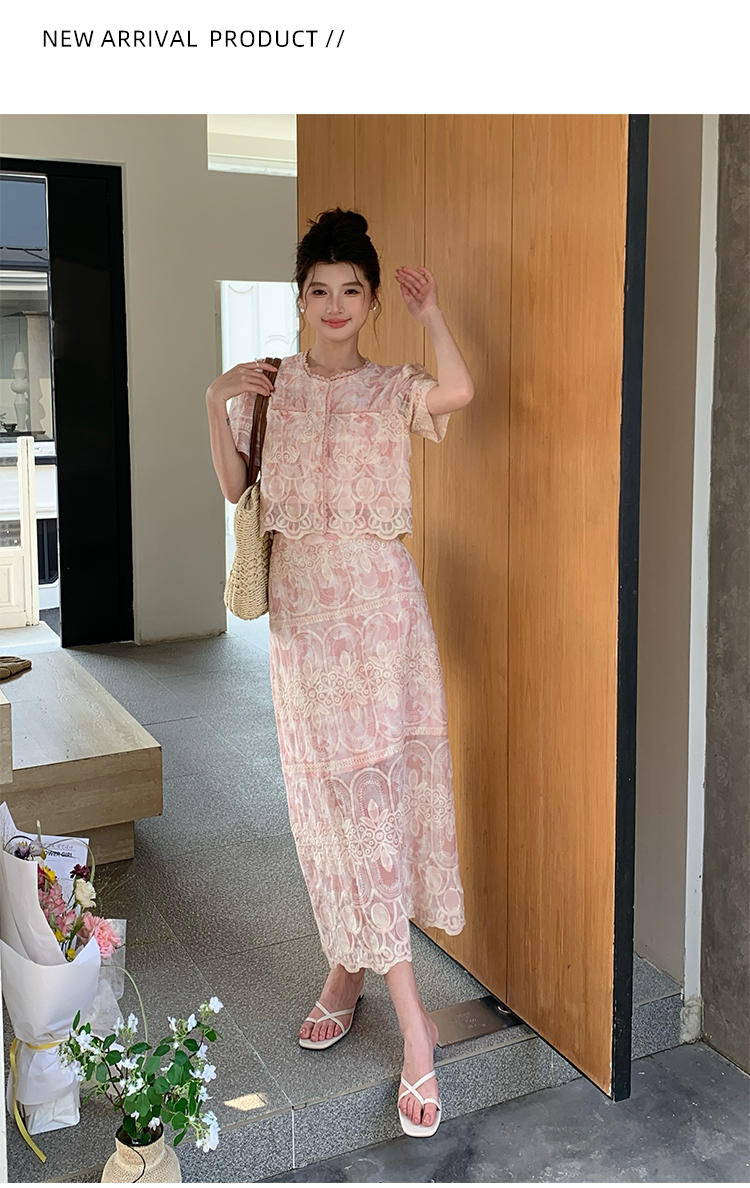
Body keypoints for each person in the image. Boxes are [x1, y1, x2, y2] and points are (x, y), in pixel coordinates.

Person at [205, 208, 473, 1136]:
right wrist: (214, 399)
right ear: (300, 296)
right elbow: (236, 487)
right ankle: (344, 967)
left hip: (382, 617)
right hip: (304, 626)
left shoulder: (393, 387)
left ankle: (413, 1025)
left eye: (350, 290)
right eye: (318, 289)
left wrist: (433, 314)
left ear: (370, 300)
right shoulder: (270, 387)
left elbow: (461, 389)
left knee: (376, 803)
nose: (333, 305)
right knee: (325, 804)